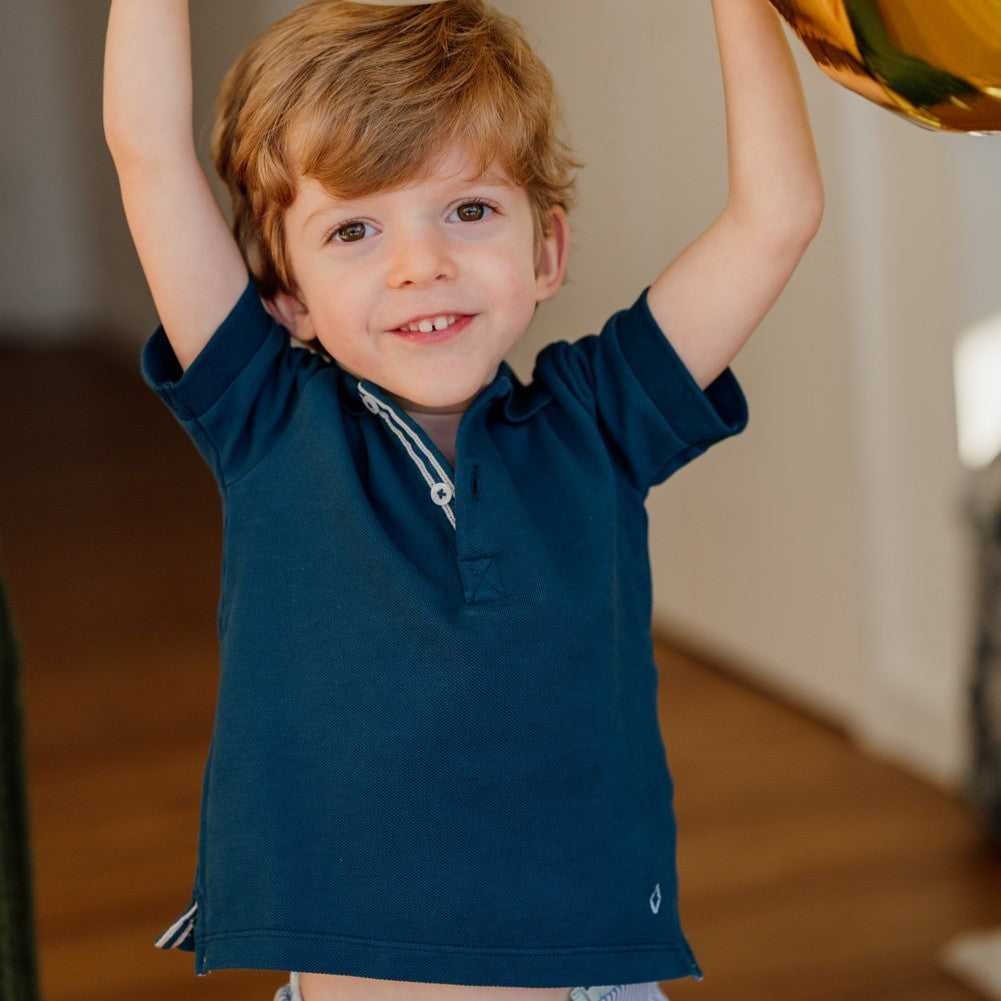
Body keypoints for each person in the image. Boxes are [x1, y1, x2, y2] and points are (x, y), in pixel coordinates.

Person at [103, 1, 823, 999]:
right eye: (352, 228)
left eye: (468, 210)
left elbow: (774, 217)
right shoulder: (264, 420)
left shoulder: (598, 422)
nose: (419, 263)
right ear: (286, 295)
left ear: (546, 250)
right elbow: (144, 151)